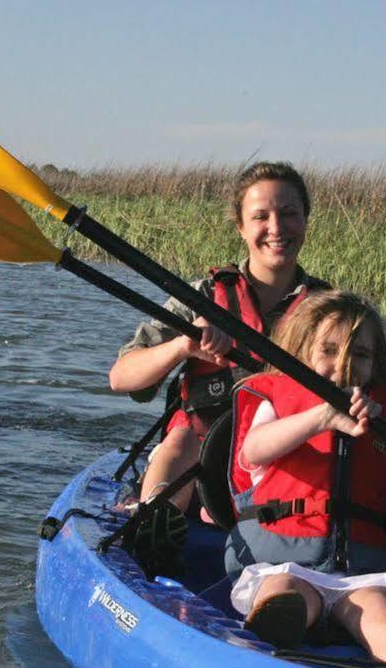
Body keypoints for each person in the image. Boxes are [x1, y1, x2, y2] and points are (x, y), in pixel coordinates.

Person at [222, 290, 386, 668]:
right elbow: (254, 450)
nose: (343, 365)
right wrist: (322, 418)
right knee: (288, 593)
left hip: (361, 575)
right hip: (283, 563)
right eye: (328, 350)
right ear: (301, 351)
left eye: (359, 355)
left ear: (375, 365)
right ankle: (279, 626)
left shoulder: (385, 429)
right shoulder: (278, 404)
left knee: (377, 607)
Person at [108, 162, 328, 509]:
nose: (276, 227)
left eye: (288, 214)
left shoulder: (331, 311)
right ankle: (157, 516)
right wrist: (183, 346)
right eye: (260, 216)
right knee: (183, 439)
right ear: (241, 227)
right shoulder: (202, 297)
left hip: (290, 458)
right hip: (201, 454)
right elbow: (122, 378)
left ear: (305, 221)